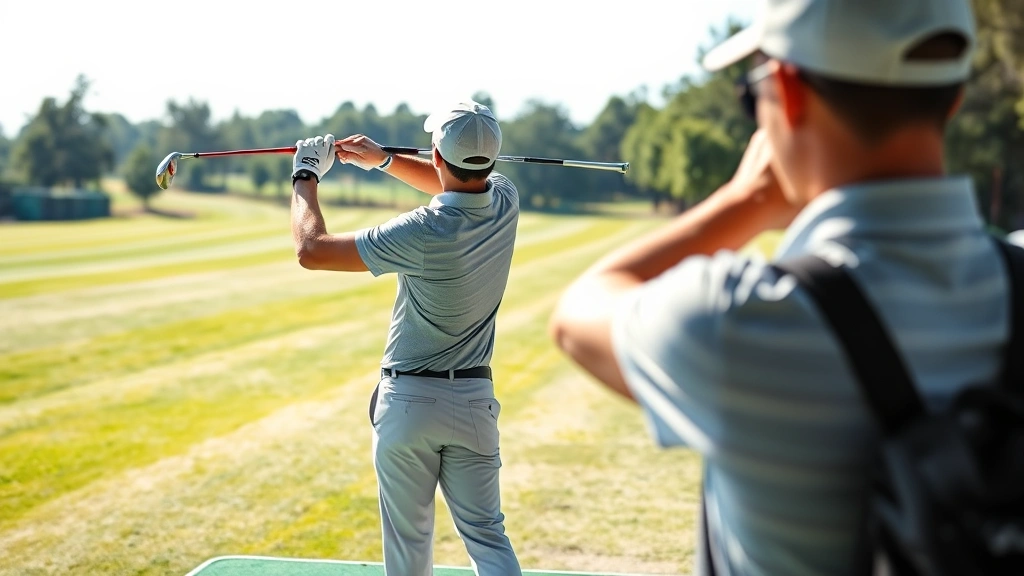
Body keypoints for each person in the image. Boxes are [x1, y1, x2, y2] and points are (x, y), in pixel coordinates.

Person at [548, 0, 1002, 574]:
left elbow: (578, 313)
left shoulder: (739, 319)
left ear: (786, 93)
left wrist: (748, 201)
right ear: (954, 99)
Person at [289, 101, 522, 576]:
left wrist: (305, 176)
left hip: (410, 402)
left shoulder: (423, 230)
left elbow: (312, 251)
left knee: (409, 550)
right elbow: (455, 181)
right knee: (489, 540)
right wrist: (384, 160)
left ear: (436, 156)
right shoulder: (506, 199)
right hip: (476, 401)